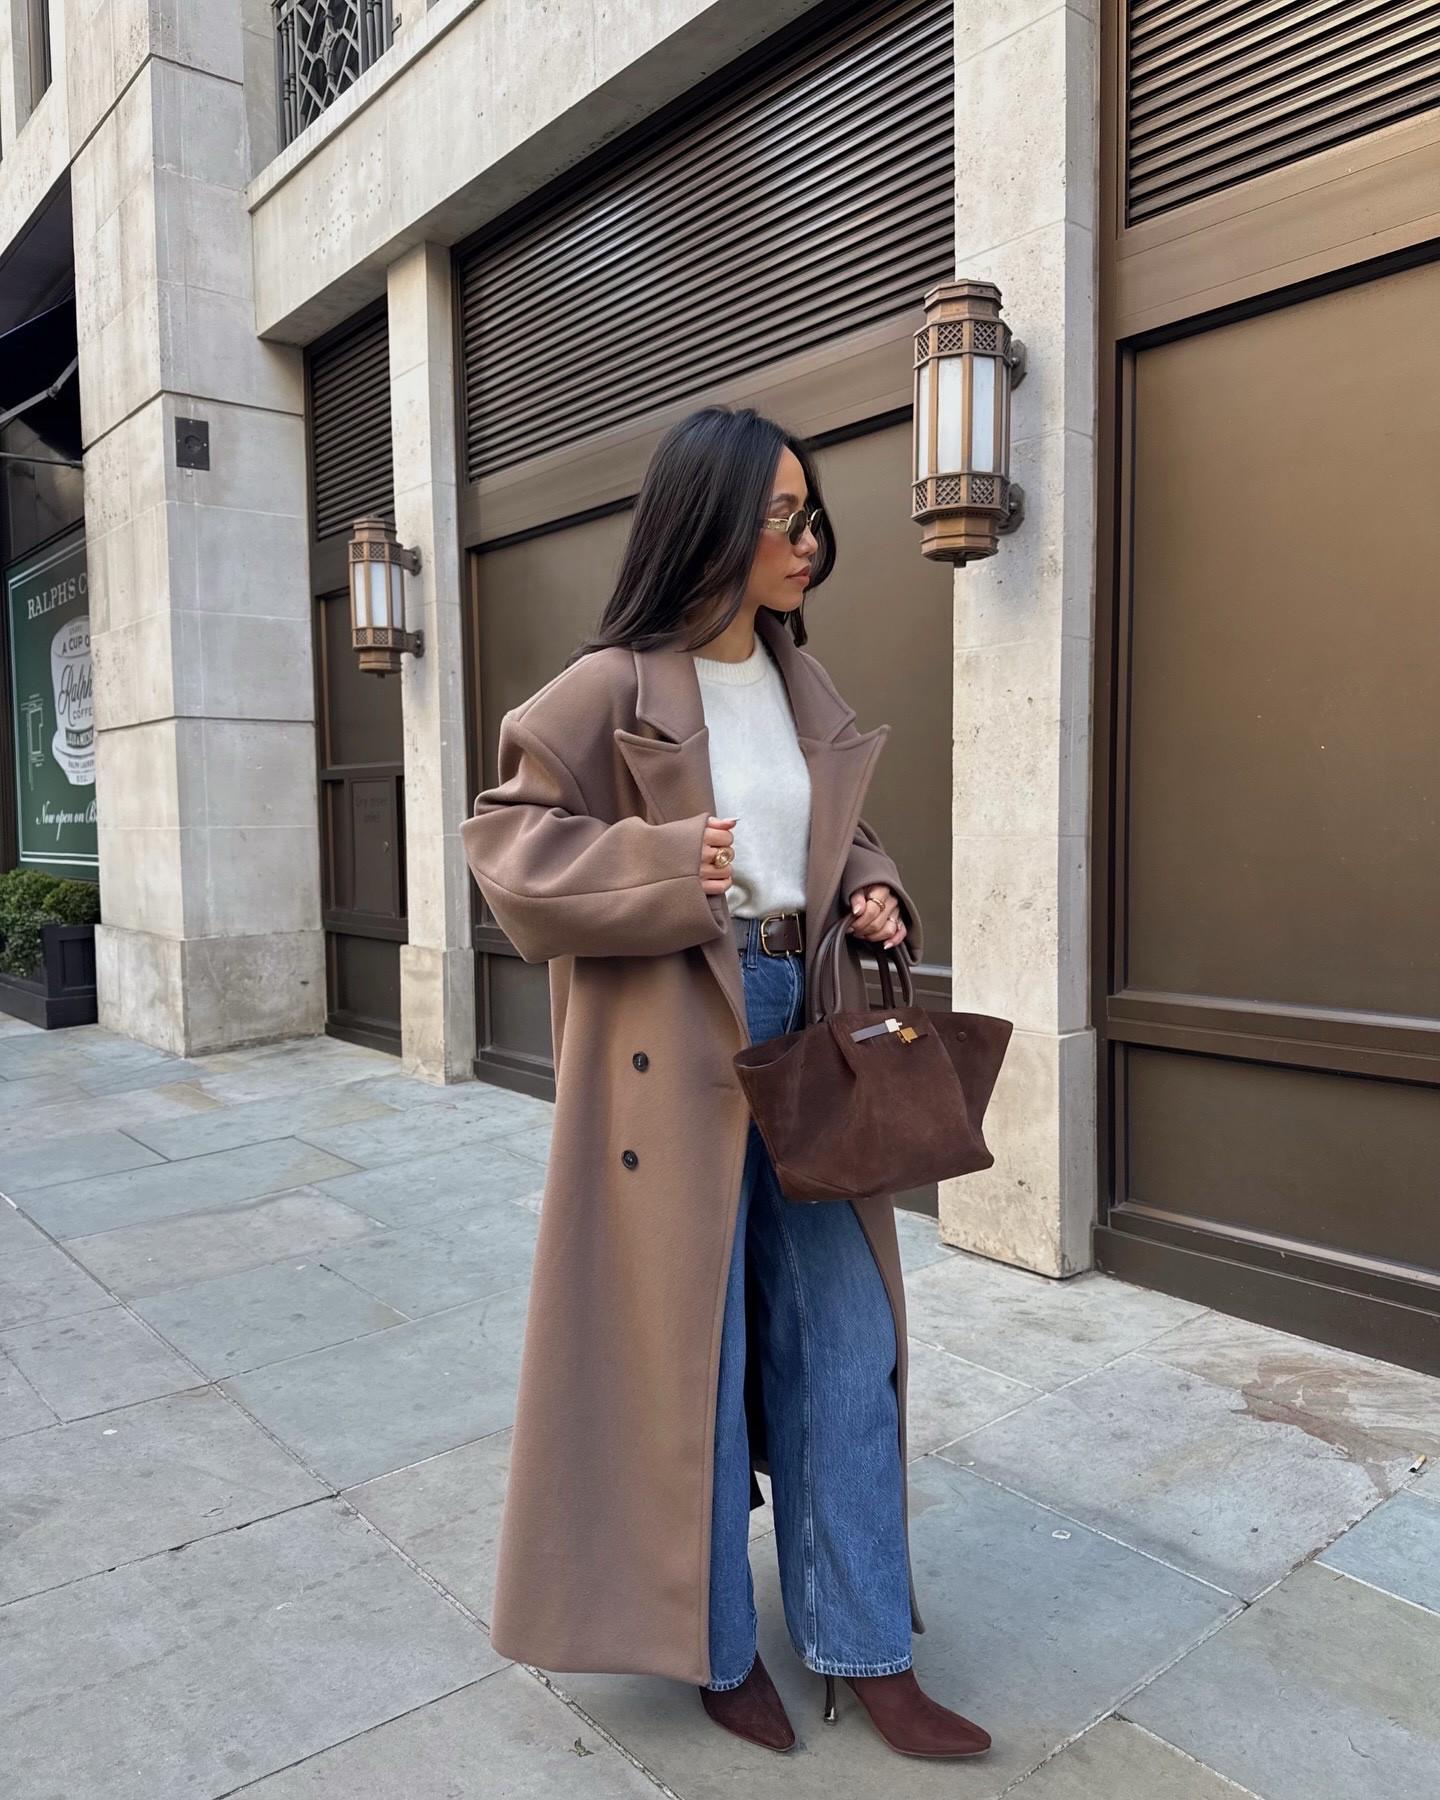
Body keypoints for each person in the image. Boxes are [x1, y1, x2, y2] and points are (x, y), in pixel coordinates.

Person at [460, 406, 990, 1760]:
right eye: (779, 516)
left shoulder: (800, 680)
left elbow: (839, 836)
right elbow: (508, 845)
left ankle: (868, 1643)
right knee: (689, 1351)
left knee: (848, 1340)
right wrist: (657, 866)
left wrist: (873, 891)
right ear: (706, 526)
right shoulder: (611, 684)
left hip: (801, 1023)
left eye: (810, 514)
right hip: (674, 1041)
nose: (805, 540)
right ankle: (711, 1650)